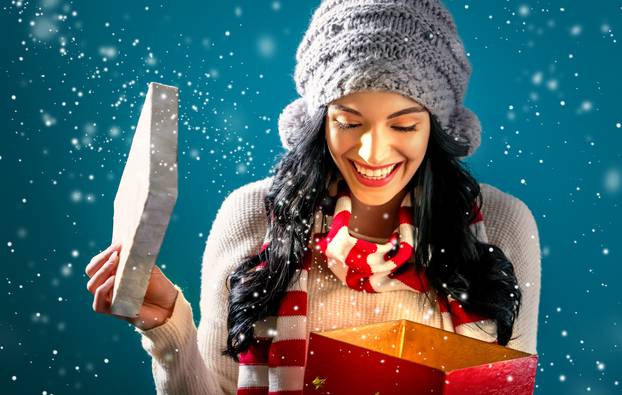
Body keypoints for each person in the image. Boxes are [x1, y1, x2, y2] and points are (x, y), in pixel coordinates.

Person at [85, 1, 541, 394]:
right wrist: (168, 326)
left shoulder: (499, 223)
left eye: (403, 125)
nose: (372, 152)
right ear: (318, 121)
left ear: (438, 127)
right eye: (348, 121)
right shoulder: (252, 217)